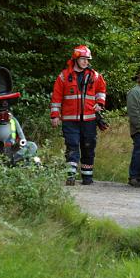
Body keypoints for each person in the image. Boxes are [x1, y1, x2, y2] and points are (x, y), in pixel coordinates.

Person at [50, 45, 107, 185]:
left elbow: (101, 90)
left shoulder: (95, 75)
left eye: (87, 59)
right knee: (72, 145)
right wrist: (55, 115)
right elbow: (56, 97)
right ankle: (70, 176)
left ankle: (87, 177)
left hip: (89, 119)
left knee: (88, 146)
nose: (85, 62)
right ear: (76, 58)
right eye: (83, 59)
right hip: (70, 120)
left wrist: (100, 103)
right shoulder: (64, 76)